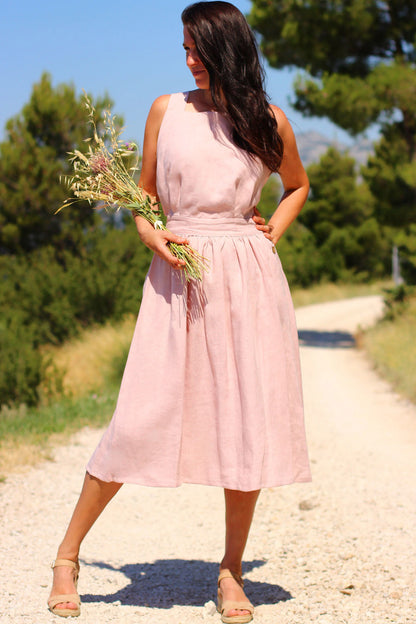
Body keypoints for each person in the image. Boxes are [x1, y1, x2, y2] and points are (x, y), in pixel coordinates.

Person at [47, 2, 311, 622]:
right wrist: (148, 232)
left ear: (227, 50)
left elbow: (297, 184)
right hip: (176, 277)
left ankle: (231, 571)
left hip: (247, 281)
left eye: (197, 49)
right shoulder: (166, 110)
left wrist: (273, 228)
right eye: (184, 48)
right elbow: (145, 196)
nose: (187, 59)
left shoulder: (267, 120)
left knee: (244, 424)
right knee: (139, 416)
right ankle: (67, 554)